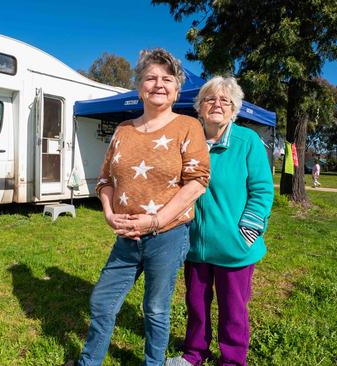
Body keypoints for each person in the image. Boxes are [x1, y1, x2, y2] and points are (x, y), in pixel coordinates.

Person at [75, 49, 211, 366]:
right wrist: (109, 213)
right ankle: (89, 361)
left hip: (168, 234)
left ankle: (153, 363)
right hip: (126, 236)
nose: (158, 84)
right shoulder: (123, 130)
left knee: (157, 308)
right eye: (150, 78)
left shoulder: (188, 126)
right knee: (103, 302)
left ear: (177, 89)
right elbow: (104, 180)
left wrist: (155, 221)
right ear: (139, 88)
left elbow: (197, 182)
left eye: (167, 79)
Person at [166, 76, 274, 366]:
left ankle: (232, 360)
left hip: (234, 246)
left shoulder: (247, 141)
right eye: (210, 99)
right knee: (196, 305)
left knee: (233, 309)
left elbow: (262, 190)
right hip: (194, 245)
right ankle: (194, 354)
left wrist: (247, 232)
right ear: (199, 108)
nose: (217, 105)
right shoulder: (187, 140)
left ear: (234, 109)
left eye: (225, 100)